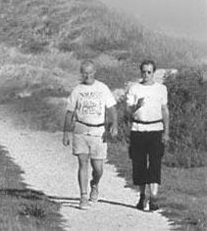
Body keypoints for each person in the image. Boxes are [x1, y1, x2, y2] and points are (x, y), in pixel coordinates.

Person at [63, 60, 118, 210]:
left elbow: (112, 109)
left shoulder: (102, 88)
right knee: (83, 163)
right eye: (84, 73)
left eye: (90, 72)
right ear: (81, 73)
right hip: (81, 129)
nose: (87, 75)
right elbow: (69, 112)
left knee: (98, 167)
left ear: (95, 72)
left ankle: (95, 183)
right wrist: (66, 132)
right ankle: (83, 196)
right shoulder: (77, 90)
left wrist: (114, 124)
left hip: (98, 132)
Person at [126, 59, 170, 211]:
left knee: (155, 163)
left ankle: (154, 198)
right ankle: (142, 195)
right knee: (139, 164)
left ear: (154, 73)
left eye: (149, 72)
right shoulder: (134, 88)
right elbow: (128, 112)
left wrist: (167, 132)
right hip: (138, 129)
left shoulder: (161, 89)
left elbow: (165, 111)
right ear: (140, 72)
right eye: (144, 72)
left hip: (156, 129)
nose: (146, 75)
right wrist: (136, 106)